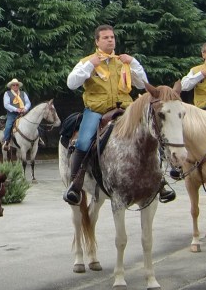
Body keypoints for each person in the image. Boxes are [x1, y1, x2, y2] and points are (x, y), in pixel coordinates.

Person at [63, 25, 175, 206]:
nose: (110, 40)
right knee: (83, 142)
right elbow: (71, 83)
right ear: (97, 41)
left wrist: (134, 62)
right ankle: (75, 184)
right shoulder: (87, 61)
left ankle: (160, 181)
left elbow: (141, 84)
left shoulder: (123, 62)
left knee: (150, 134)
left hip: (125, 109)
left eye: (112, 37)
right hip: (97, 110)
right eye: (105, 37)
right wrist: (91, 64)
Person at [1, 78, 31, 150]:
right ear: (11, 86)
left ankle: (38, 139)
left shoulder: (23, 93)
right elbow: (6, 104)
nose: (15, 86)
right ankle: (6, 141)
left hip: (23, 114)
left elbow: (28, 103)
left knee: (34, 123)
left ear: (18, 86)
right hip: (12, 114)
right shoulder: (7, 93)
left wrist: (25, 108)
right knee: (8, 126)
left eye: (16, 85)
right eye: (13, 85)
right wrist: (16, 109)